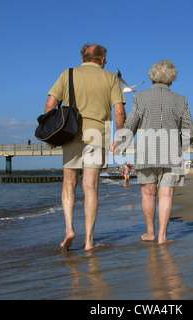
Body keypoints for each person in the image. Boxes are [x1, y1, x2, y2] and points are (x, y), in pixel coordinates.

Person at [45, 44, 126, 251]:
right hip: (98, 135)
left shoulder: (68, 74)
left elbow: (50, 104)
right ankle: (89, 241)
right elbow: (119, 111)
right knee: (90, 188)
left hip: (71, 134)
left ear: (83, 58)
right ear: (102, 59)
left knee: (68, 184)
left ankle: (69, 229)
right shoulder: (110, 78)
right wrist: (121, 135)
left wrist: (50, 136)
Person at [115, 60, 193, 244]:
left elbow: (131, 123)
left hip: (146, 152)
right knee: (166, 194)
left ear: (152, 77)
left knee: (148, 193)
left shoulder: (140, 97)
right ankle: (162, 236)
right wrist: (180, 146)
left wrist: (121, 144)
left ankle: (151, 233)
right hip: (172, 153)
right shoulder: (181, 100)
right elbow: (191, 128)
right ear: (171, 80)